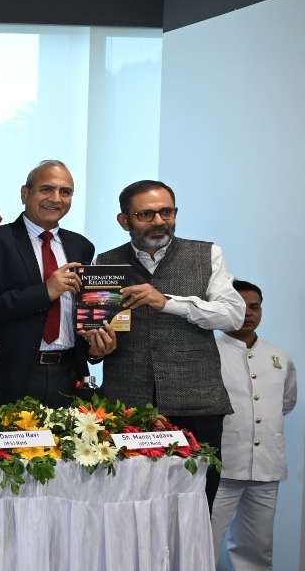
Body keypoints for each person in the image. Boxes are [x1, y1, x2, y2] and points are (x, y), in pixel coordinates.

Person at [98, 180, 244, 500]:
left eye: (167, 212)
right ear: (124, 221)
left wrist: (168, 302)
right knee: (129, 502)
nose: (159, 221)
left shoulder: (206, 254)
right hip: (127, 404)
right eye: (146, 215)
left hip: (197, 404)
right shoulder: (104, 262)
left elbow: (233, 316)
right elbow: (99, 327)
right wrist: (96, 348)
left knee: (196, 500)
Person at [0, 161, 114, 407]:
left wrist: (95, 348)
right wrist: (45, 292)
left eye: (65, 192)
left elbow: (83, 313)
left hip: (68, 376)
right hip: (8, 376)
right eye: (46, 189)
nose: (56, 198)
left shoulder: (81, 246)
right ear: (25, 193)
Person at [213, 280, 296, 571]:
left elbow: (285, 402)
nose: (249, 314)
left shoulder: (278, 356)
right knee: (206, 542)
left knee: (257, 547)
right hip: (222, 465)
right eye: (240, 306)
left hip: (267, 467)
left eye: (255, 306)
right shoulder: (210, 352)